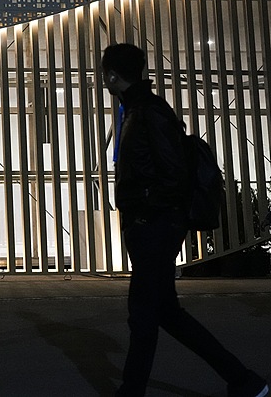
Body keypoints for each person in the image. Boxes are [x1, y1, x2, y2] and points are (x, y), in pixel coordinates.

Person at [102, 43, 267, 397]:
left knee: (143, 314)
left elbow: (173, 173)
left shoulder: (148, 112)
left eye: (105, 74)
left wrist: (147, 215)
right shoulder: (137, 110)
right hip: (152, 226)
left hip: (155, 227)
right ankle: (245, 382)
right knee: (167, 313)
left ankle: (132, 392)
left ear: (113, 76)